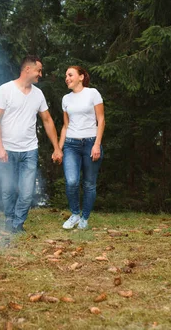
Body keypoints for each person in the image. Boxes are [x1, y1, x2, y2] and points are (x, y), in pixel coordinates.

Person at [0, 55, 63, 233]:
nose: (41, 74)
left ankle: (18, 223)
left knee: (26, 192)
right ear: (28, 70)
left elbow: (47, 120)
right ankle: (9, 220)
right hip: (7, 149)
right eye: (39, 70)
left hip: (30, 150)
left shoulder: (38, 94)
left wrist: (56, 147)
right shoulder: (5, 90)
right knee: (8, 189)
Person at [59, 66, 105, 230]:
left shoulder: (93, 93)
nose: (67, 78)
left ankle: (85, 218)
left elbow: (101, 119)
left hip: (91, 143)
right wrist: (59, 148)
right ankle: (75, 214)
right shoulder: (65, 99)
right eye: (66, 76)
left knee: (89, 184)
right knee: (71, 181)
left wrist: (97, 144)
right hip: (71, 144)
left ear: (81, 77)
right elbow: (65, 126)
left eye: (70, 74)